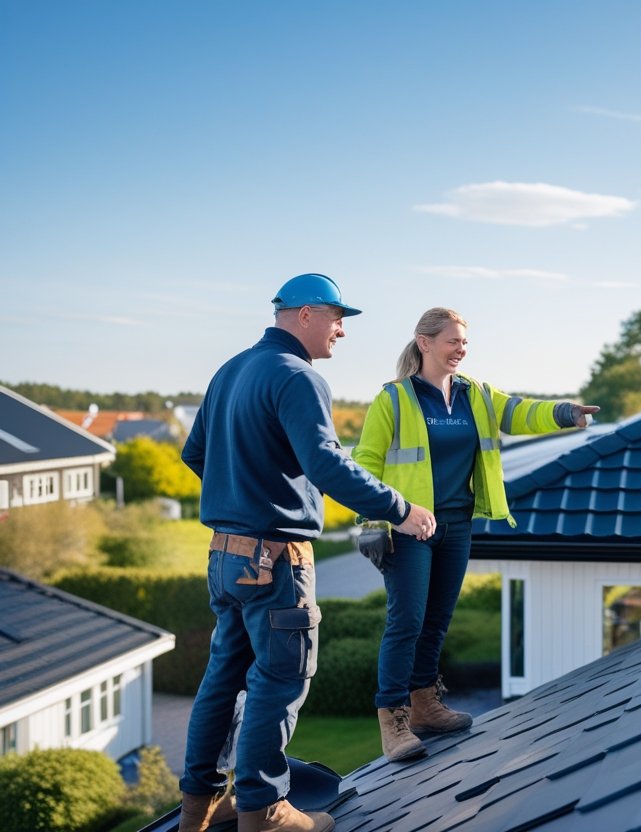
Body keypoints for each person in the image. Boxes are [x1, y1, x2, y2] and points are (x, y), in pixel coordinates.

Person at [177, 274, 437, 832]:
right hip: (275, 559)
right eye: (337, 318)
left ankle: (200, 806)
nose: (342, 330)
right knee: (280, 680)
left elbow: (196, 453)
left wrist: (243, 497)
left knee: (223, 678)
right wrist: (401, 509)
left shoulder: (231, 370)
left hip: (225, 556)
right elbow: (326, 465)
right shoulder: (297, 376)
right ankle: (266, 810)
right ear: (304, 314)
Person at [352, 307, 598, 762]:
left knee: (437, 619)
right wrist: (375, 520)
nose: (461, 349)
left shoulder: (476, 395)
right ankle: (393, 719)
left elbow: (520, 412)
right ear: (425, 343)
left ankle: (425, 706)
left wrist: (566, 412)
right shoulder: (395, 399)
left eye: (464, 342)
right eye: (453, 341)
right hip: (409, 528)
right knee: (407, 622)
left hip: (457, 524)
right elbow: (365, 462)